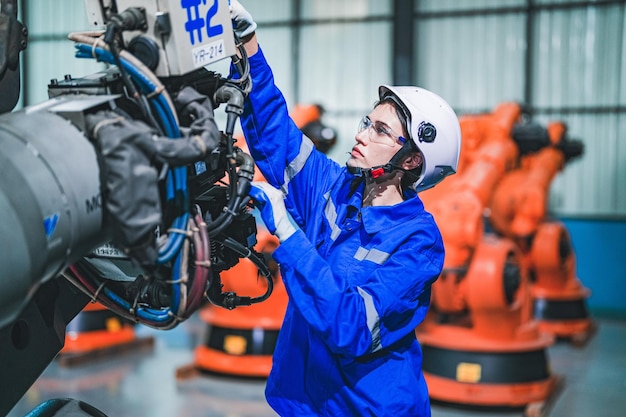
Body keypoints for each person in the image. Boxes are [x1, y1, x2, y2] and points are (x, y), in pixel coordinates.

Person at [229, 1, 461, 415]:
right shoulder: (333, 188)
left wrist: (288, 233)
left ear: (411, 160)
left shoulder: (419, 244)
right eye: (366, 122)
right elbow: (275, 133)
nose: (361, 134)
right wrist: (246, 46)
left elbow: (350, 326)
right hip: (304, 403)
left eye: (380, 130)